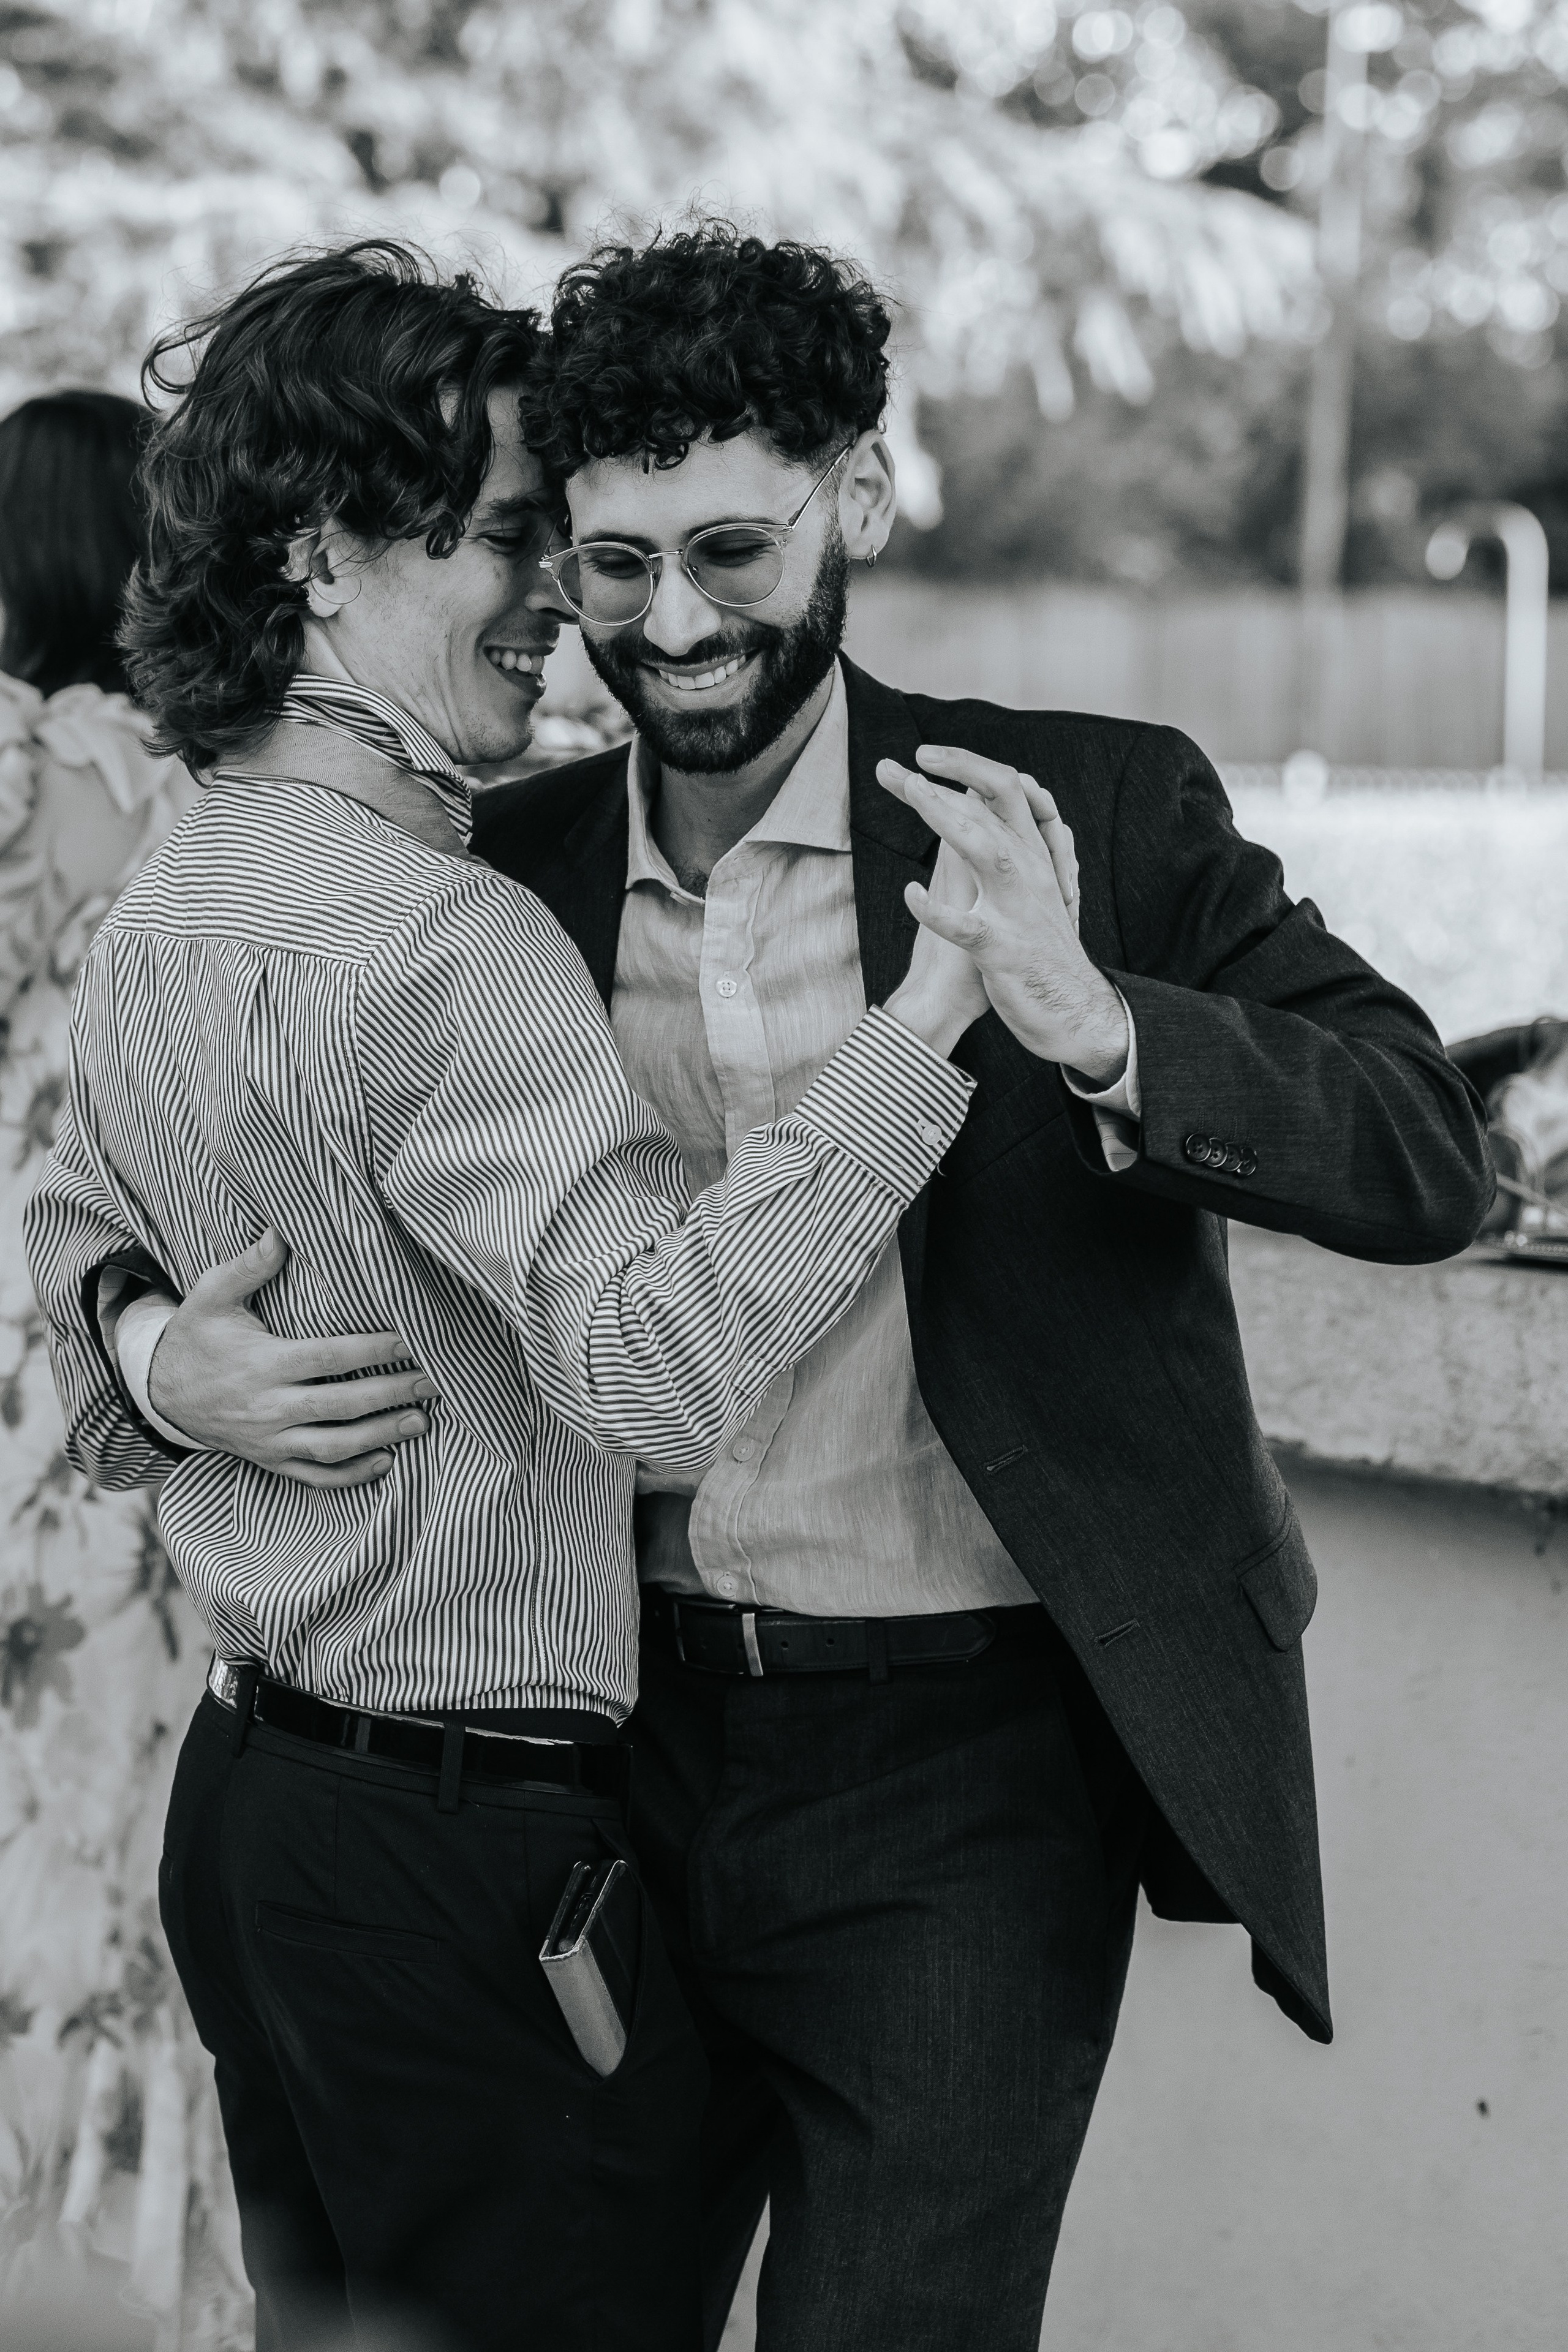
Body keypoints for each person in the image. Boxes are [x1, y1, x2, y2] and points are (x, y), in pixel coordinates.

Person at [90, 231, 1493, 2351]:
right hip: (600, 1777)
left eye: (730, 547)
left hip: (957, 1791)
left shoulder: (1087, 805)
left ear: (859, 491)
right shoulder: (491, 861)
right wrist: (153, 1349)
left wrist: (1094, 1020)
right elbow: (187, 1139)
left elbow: (1429, 1151)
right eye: (605, 561)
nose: (664, 623)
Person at [22, 243, 998, 2352]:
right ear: (320, 560)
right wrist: (928, 1021)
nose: (557, 590)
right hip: (457, 1869)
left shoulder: (176, 883)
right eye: (495, 538)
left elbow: (56, 1231)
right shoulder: (451, 943)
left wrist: (148, 1361)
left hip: (249, 1820)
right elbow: (647, 1365)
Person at [0, 391, 251, 2343]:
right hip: (156, 1356)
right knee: (140, 1794)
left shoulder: (12, 766)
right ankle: (137, 2249)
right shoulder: (235, 797)